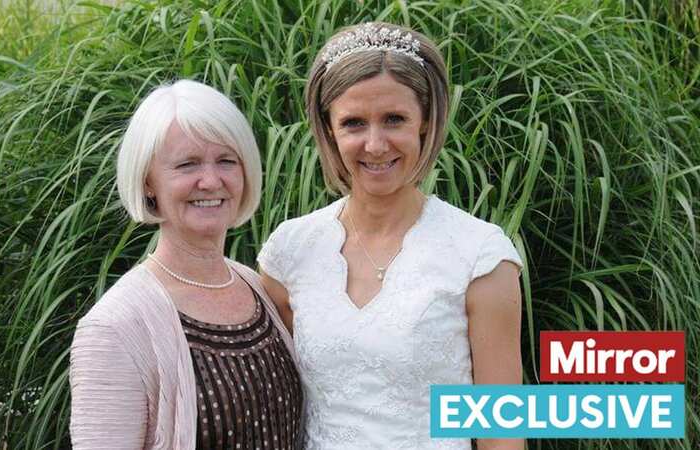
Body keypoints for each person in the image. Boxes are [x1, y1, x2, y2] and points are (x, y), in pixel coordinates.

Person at [257, 22, 524, 450]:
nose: (376, 144)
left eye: (394, 120)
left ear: (424, 123)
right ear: (328, 130)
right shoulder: (290, 252)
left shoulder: (480, 255)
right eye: (354, 124)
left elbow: (502, 435)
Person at [69, 80, 303, 450]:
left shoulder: (258, 288)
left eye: (226, 160)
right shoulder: (115, 326)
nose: (210, 181)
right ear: (148, 183)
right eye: (187, 164)